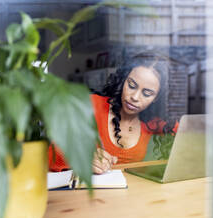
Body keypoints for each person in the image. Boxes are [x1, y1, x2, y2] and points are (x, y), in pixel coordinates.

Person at [49, 52, 178, 174]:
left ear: (156, 98)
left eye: (147, 93)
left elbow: (187, 137)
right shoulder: (92, 104)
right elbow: (51, 155)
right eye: (132, 85)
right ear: (123, 80)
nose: (135, 97)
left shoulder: (154, 122)